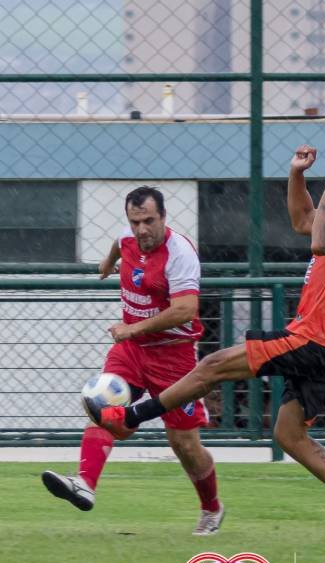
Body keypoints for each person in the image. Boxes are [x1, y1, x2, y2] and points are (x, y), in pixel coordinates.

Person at [88, 146, 325, 551]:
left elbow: (319, 241)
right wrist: (297, 175)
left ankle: (130, 417)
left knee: (213, 366)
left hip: (314, 338)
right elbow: (303, 221)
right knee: (289, 434)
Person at [41, 186, 225, 536]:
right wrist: (106, 264)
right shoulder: (128, 237)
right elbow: (118, 243)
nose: (142, 229)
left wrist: (133, 327)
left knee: (184, 444)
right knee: (102, 402)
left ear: (164, 217)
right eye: (135, 222)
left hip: (174, 356)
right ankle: (85, 483)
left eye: (149, 221)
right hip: (132, 350)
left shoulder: (180, 253)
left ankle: (211, 508)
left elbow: (186, 310)